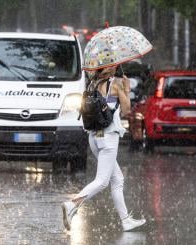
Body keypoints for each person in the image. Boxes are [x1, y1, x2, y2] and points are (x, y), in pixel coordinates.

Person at [62, 65, 146, 232]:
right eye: (114, 65)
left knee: (118, 180)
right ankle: (73, 203)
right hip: (108, 137)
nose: (117, 67)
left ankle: (126, 220)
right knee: (102, 182)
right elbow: (127, 109)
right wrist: (127, 89)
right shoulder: (114, 84)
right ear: (110, 68)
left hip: (94, 137)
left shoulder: (92, 84)